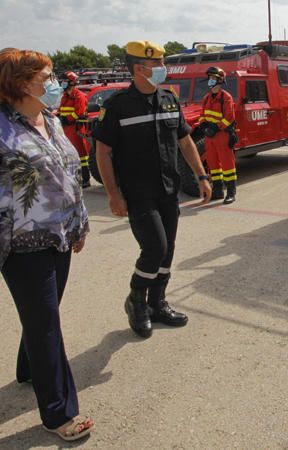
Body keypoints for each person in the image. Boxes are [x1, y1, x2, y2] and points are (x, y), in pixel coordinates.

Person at [0, 48, 94, 441]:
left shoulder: (50, 119)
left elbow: (66, 178)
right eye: (46, 77)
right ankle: (60, 412)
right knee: (46, 323)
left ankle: (28, 369)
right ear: (20, 82)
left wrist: (78, 226)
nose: (54, 84)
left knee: (42, 315)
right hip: (19, 242)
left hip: (58, 237)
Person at [93, 40, 211, 338]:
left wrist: (201, 176)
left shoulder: (169, 99)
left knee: (167, 250)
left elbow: (184, 141)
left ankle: (158, 303)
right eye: (156, 64)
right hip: (137, 193)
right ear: (138, 69)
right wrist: (113, 194)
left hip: (168, 190)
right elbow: (103, 152)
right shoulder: (118, 106)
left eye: (161, 63)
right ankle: (137, 301)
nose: (162, 69)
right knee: (154, 248)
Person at [198, 66, 237, 204]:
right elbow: (202, 115)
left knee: (227, 164)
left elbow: (229, 118)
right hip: (210, 137)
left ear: (220, 80)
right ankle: (218, 191)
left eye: (213, 78)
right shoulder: (206, 98)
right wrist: (203, 125)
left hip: (222, 135)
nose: (210, 80)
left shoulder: (226, 97)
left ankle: (231, 192)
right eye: (209, 78)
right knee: (213, 164)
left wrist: (216, 127)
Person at [58, 71, 91, 187]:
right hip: (66, 129)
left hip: (76, 129)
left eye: (64, 81)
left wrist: (68, 119)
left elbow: (80, 111)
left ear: (72, 82)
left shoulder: (79, 96)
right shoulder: (65, 97)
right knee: (69, 154)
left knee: (81, 155)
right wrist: (57, 116)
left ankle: (85, 179)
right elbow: (61, 109)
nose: (62, 83)